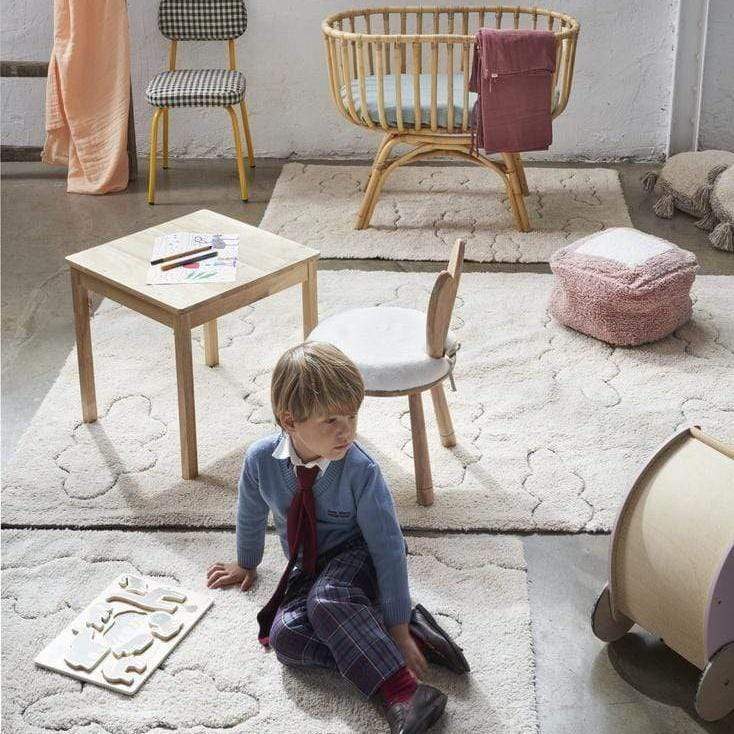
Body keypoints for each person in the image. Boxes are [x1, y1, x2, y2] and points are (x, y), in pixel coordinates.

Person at [207, 342, 469, 734]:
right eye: (331, 420)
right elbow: (250, 511)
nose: (346, 430)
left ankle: (405, 692)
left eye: (351, 415)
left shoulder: (362, 471)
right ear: (290, 420)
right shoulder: (260, 460)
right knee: (285, 636)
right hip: (310, 566)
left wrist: (395, 623)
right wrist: (247, 563)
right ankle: (398, 638)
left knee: (327, 600)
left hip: (360, 555)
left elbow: (388, 548)